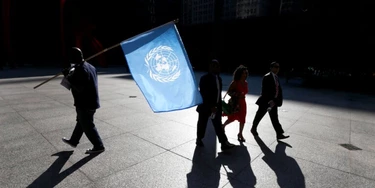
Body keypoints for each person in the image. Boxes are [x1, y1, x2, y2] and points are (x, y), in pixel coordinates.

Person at [61, 47, 105, 154]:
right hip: (92, 101)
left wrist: (68, 76)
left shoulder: (81, 69)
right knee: (82, 121)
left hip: (85, 103)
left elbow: (79, 88)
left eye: (71, 57)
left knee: (88, 125)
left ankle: (99, 146)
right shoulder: (90, 66)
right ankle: (74, 140)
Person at [196, 59, 235, 151]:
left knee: (218, 126)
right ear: (210, 67)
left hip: (217, 107)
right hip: (205, 107)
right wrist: (211, 106)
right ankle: (199, 139)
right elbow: (204, 94)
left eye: (217, 66)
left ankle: (224, 143)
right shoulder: (204, 78)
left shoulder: (219, 78)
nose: (216, 68)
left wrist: (219, 106)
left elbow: (218, 94)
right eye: (214, 66)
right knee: (202, 124)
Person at [250, 61, 289, 140]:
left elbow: (278, 90)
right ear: (271, 68)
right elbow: (265, 91)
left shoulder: (276, 77)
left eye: (278, 67)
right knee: (259, 116)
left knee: (275, 118)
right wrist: (270, 100)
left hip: (273, 102)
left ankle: (279, 134)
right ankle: (253, 129)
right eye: (275, 67)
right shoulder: (267, 76)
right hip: (265, 101)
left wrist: (276, 100)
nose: (277, 69)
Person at [222, 65, 249, 142]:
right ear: (239, 74)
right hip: (235, 103)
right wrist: (237, 94)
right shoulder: (235, 82)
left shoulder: (246, 83)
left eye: (246, 73)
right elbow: (229, 92)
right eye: (243, 73)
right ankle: (223, 126)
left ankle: (240, 133)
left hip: (243, 102)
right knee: (232, 117)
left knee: (242, 119)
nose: (245, 75)